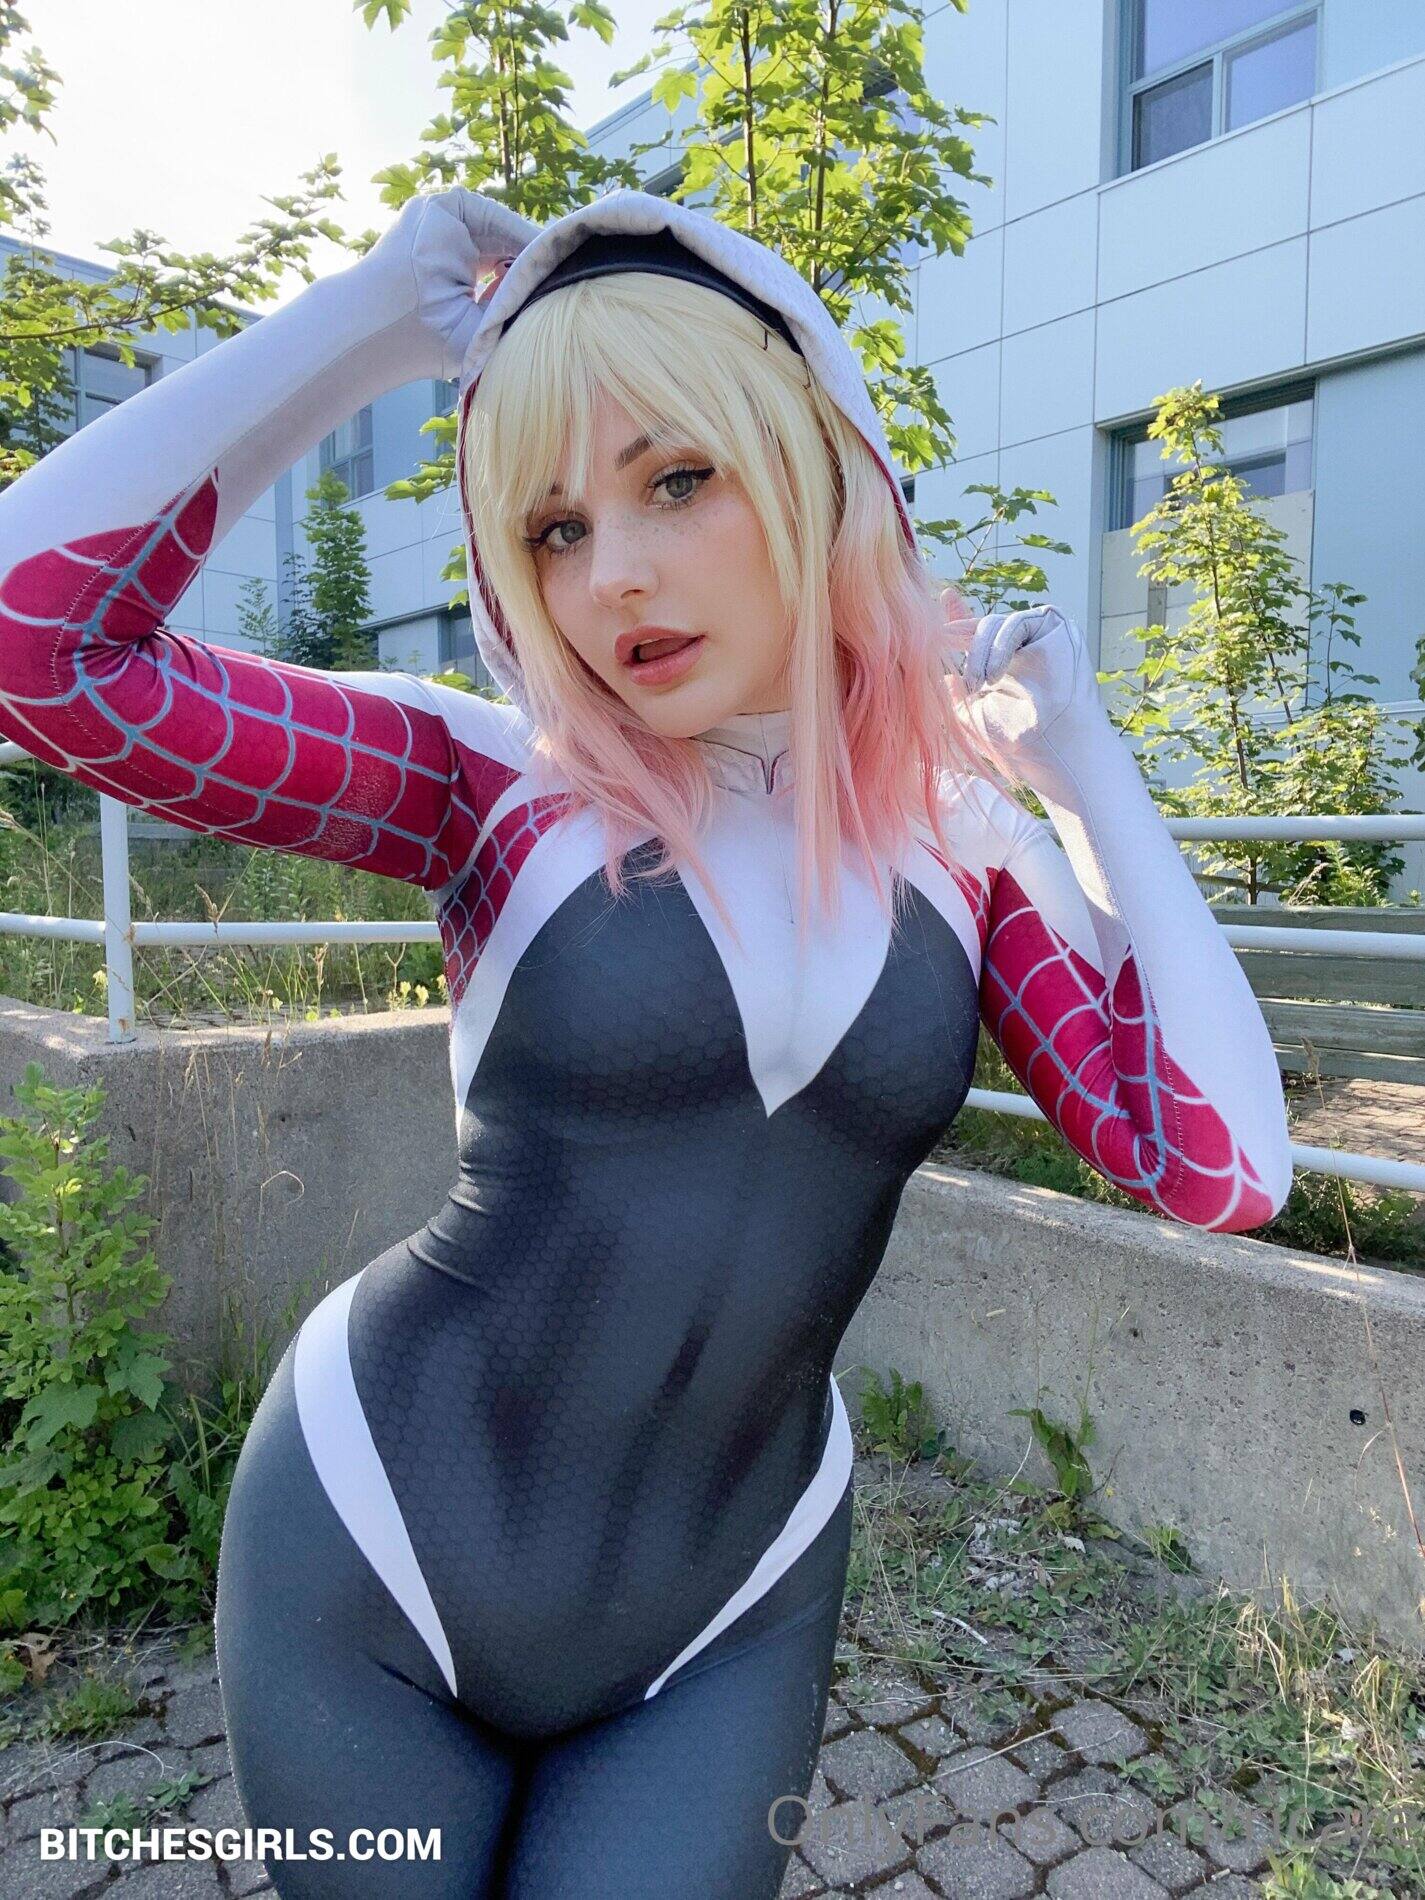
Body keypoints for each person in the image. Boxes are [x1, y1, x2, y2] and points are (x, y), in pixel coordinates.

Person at [0, 185, 1293, 1897]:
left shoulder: (969, 853)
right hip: (369, 1549)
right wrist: (371, 323)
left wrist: (1085, 774)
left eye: (675, 478)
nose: (610, 573)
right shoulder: (492, 786)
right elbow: (40, 643)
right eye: (551, 525)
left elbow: (1220, 1170)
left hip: (730, 1602)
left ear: (813, 467)